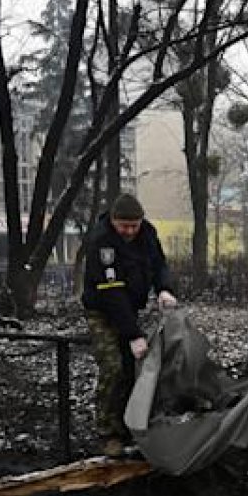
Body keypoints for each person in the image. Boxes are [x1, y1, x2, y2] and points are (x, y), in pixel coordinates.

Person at [81, 193, 177, 458]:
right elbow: (112, 294)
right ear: (113, 221)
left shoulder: (146, 234)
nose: (130, 232)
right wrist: (133, 334)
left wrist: (164, 289)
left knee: (133, 368)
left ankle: (129, 427)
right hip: (101, 310)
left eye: (134, 225)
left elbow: (159, 264)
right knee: (113, 367)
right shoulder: (102, 242)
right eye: (124, 226)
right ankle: (107, 433)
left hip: (130, 309)